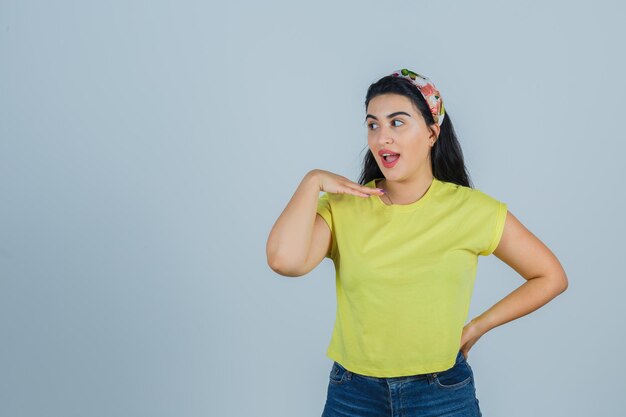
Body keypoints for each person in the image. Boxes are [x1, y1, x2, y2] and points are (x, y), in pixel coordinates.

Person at [266, 68, 568, 417]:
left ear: (431, 133)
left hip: (441, 394)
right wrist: (312, 181)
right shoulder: (344, 205)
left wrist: (478, 327)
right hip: (353, 394)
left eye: (397, 122)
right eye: (373, 124)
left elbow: (550, 277)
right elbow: (283, 261)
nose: (382, 138)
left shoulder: (471, 209)